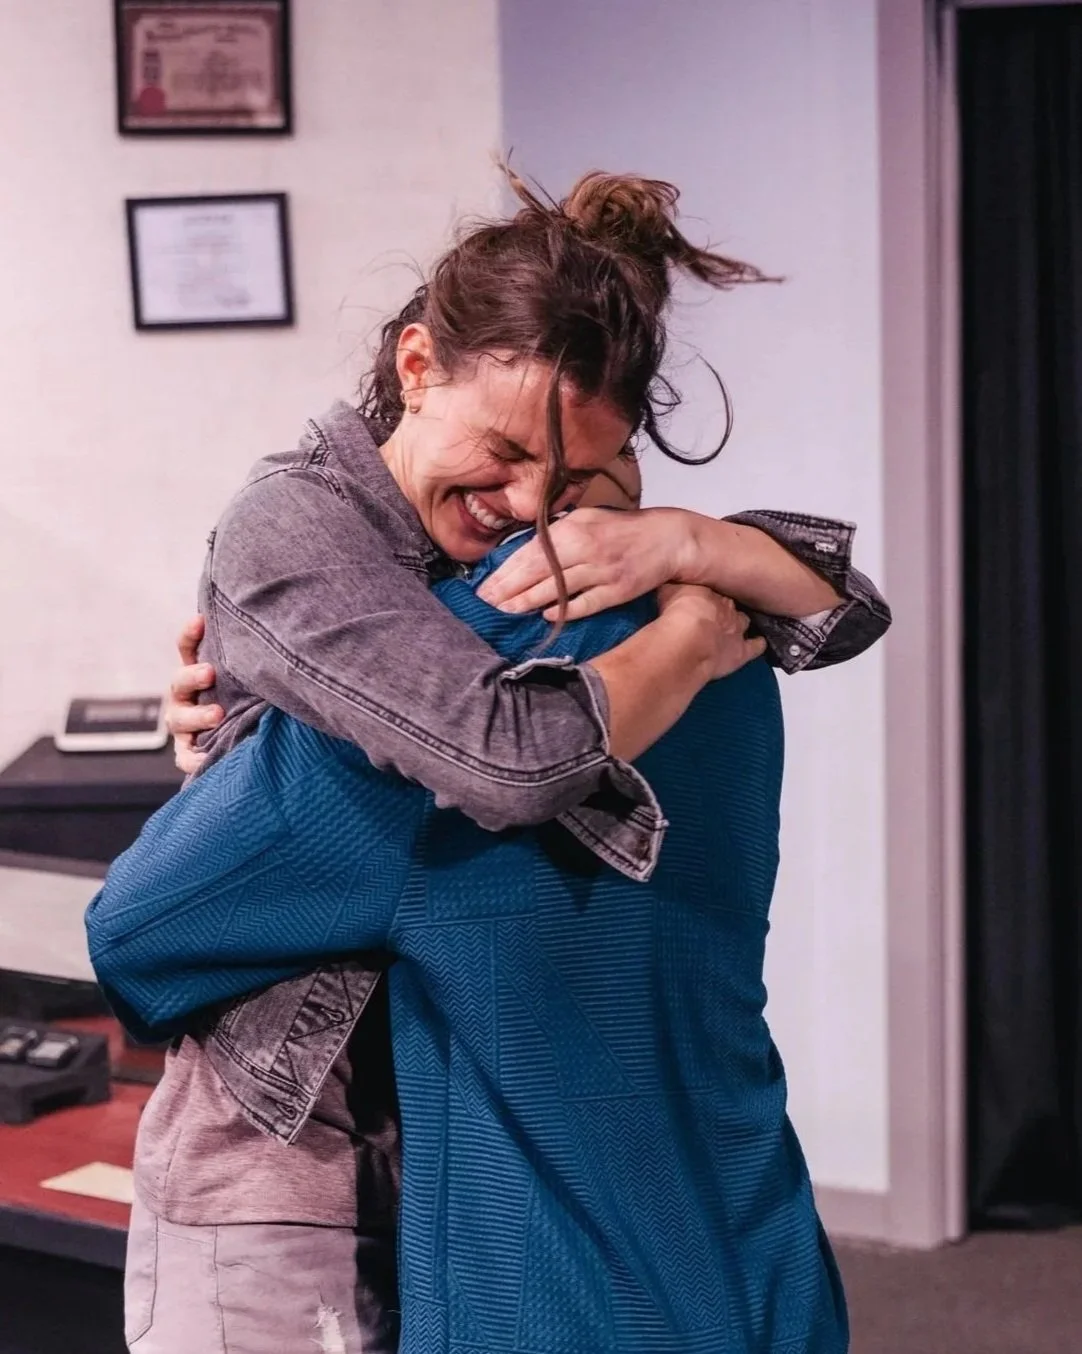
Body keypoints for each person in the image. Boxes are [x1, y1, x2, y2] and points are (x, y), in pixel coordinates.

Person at [109, 168, 890, 1353]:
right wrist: (692, 594)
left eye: (575, 483)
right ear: (414, 368)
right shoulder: (725, 638)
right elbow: (506, 747)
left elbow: (137, 934)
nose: (530, 508)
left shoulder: (493, 680)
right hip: (739, 1246)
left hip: (535, 1276)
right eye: (509, 452)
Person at [91, 511, 855, 1353]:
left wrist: (252, 744)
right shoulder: (726, 627)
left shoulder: (427, 723)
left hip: (550, 1296)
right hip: (761, 1256)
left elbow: (135, 937)